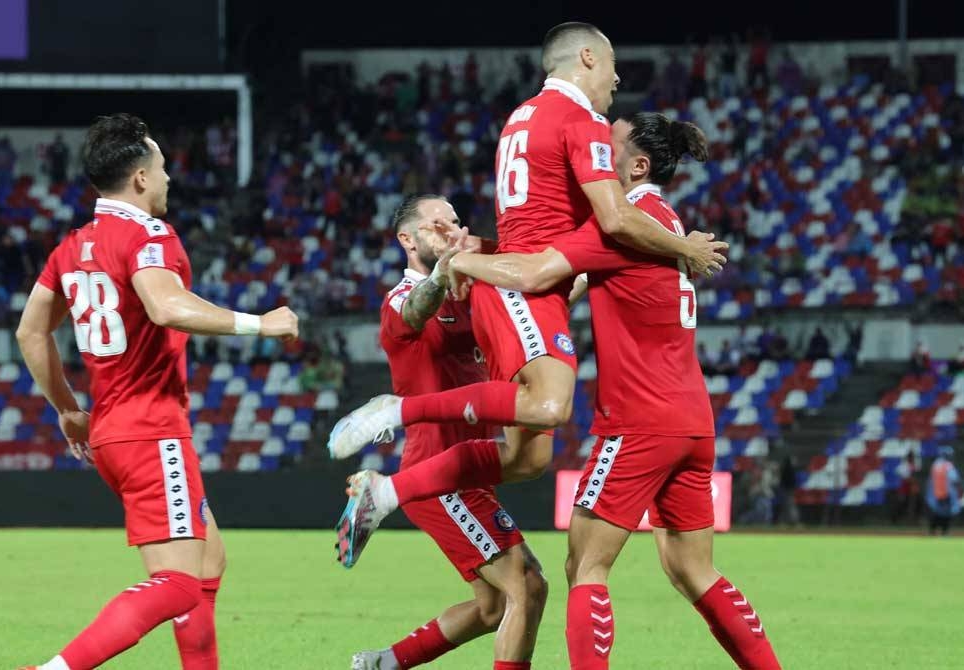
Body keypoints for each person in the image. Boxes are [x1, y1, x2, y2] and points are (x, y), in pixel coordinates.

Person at [330, 22, 727, 559]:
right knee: (547, 406)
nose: (617, 80)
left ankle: (388, 491)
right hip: (523, 287)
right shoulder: (582, 118)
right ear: (587, 58)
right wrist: (685, 249)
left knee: (528, 459)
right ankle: (396, 412)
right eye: (612, 66)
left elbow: (548, 224)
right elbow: (610, 220)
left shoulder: (522, 116)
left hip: (526, 282)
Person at [443, 112, 781, 669]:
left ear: (638, 164)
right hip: (692, 420)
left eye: (609, 146)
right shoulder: (661, 220)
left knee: (586, 565)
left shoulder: (621, 222)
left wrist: (462, 261)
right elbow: (560, 273)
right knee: (692, 570)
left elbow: (533, 275)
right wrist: (482, 245)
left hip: (639, 420)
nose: (596, 152)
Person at [15, 114, 298, 670]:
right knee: (177, 587)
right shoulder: (146, 234)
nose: (169, 178)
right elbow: (166, 306)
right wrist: (259, 324)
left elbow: (30, 331)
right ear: (140, 178)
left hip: (114, 434)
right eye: (163, 168)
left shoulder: (72, 246)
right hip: (151, 430)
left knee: (208, 561)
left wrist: (70, 411)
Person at [346, 195, 547, 670]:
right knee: (528, 585)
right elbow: (416, 309)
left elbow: (538, 298)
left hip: (474, 469)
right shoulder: (402, 298)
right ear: (407, 240)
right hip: (440, 474)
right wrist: (442, 274)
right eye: (437, 224)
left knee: (493, 606)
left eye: (456, 221)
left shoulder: (472, 295)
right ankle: (381, 492)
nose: (451, 229)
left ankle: (383, 663)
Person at [926, 447, 961, 536]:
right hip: (946, 493)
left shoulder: (935, 464)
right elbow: (954, 479)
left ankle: (932, 531)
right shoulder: (948, 466)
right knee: (946, 514)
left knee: (936, 513)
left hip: (935, 493)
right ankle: (944, 532)